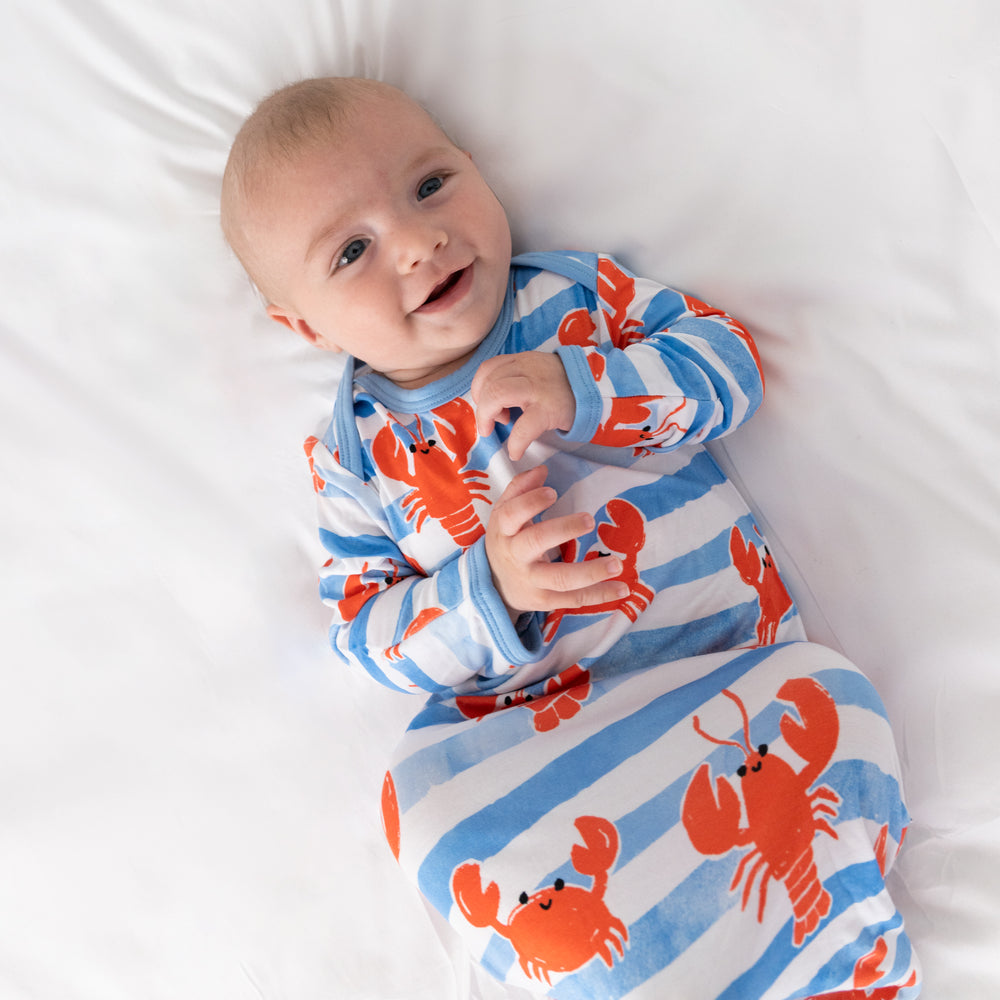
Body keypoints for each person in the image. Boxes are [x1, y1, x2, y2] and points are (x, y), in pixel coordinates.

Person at [221, 77, 919, 1000]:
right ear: (303, 326)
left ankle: (837, 960)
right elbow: (364, 636)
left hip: (727, 678)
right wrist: (488, 588)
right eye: (353, 250)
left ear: (474, 168)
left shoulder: (572, 299)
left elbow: (728, 366)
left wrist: (584, 388)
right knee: (421, 796)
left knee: (838, 697)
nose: (419, 242)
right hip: (542, 738)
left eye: (430, 186)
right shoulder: (353, 456)